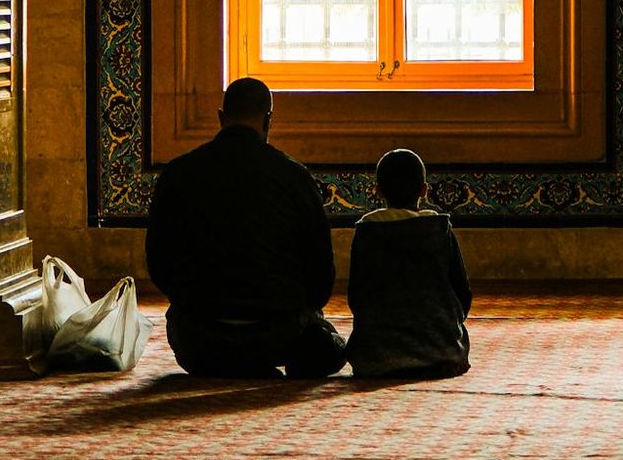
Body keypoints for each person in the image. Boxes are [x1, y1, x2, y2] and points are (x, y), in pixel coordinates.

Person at [145, 76, 346, 379]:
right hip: (278, 335)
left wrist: (195, 302)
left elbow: (158, 263)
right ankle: (261, 360)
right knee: (328, 345)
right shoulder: (293, 176)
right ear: (268, 120)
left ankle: (228, 361)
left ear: (221, 117)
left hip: (199, 339)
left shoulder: (178, 173)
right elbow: (321, 271)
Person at [344, 148, 472, 380]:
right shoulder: (439, 230)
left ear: (378, 191)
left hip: (376, 357)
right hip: (439, 351)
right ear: (424, 190)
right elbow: (463, 293)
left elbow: (356, 296)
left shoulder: (367, 232)